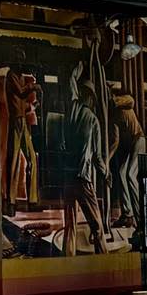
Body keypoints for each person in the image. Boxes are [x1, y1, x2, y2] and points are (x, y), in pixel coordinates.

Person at [63, 79, 109, 255]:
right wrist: (105, 174)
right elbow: (97, 157)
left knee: (70, 225)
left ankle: (68, 260)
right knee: (97, 226)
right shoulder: (93, 120)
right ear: (91, 98)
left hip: (68, 178)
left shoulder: (72, 113)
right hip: (83, 178)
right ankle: (103, 260)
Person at [4, 49, 40, 208]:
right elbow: (19, 92)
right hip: (16, 121)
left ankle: (32, 199)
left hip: (22, 120)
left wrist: (31, 105)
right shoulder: (11, 76)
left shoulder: (18, 77)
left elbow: (21, 99)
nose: (20, 63)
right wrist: (33, 86)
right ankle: (10, 200)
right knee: (13, 161)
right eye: (18, 60)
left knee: (32, 158)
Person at [109, 86, 145, 232]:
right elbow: (115, 142)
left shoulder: (125, 101)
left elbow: (131, 100)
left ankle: (140, 221)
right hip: (129, 144)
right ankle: (127, 214)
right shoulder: (114, 116)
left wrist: (112, 99)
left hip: (138, 139)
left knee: (130, 174)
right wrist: (107, 160)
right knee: (121, 172)